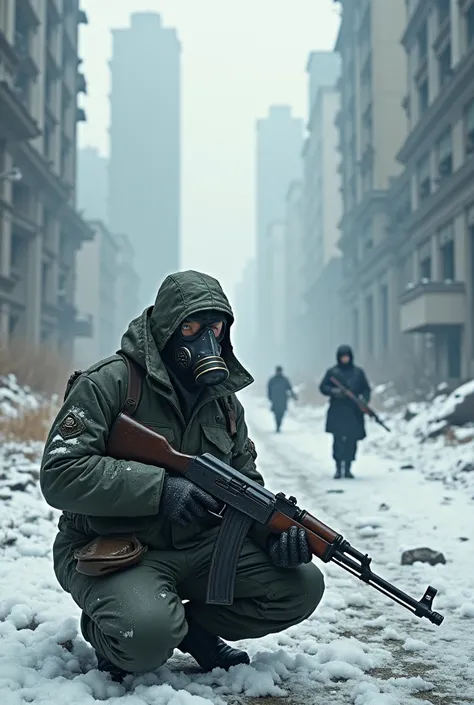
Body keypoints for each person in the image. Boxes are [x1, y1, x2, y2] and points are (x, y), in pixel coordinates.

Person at [40, 270, 325, 682]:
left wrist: (274, 536)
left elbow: (244, 484)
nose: (204, 340)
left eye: (214, 327)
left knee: (300, 586)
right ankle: (111, 627)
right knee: (145, 639)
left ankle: (195, 630)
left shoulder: (223, 403)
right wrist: (159, 489)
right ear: (165, 329)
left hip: (198, 547)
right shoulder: (111, 383)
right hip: (116, 547)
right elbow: (60, 473)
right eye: (190, 327)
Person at [319, 344, 371, 480]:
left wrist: (363, 401)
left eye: (347, 357)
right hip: (337, 411)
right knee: (338, 441)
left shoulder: (358, 373)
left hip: (354, 412)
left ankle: (348, 468)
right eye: (343, 357)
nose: (345, 359)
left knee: (351, 441)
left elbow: (366, 389)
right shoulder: (332, 372)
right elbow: (323, 387)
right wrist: (335, 392)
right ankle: (338, 467)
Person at [267, 365, 297, 433]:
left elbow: (290, 388)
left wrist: (294, 396)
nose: (279, 372)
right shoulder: (272, 380)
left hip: (283, 400)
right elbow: (269, 389)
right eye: (278, 371)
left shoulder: (285, 379)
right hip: (275, 400)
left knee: (282, 413)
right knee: (276, 414)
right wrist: (270, 397)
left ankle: (279, 425)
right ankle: (277, 425)